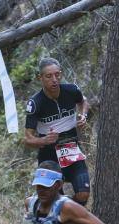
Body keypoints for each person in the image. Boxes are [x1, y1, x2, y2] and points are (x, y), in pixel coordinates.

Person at [24, 58, 91, 206]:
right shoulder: (35, 103)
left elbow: (83, 101)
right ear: (40, 78)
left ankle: (68, 214)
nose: (54, 80)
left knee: (83, 194)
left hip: (72, 151)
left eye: (57, 75)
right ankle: (45, 210)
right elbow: (27, 139)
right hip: (49, 158)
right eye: (49, 76)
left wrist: (83, 115)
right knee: (53, 203)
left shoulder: (71, 90)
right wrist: (44, 141)